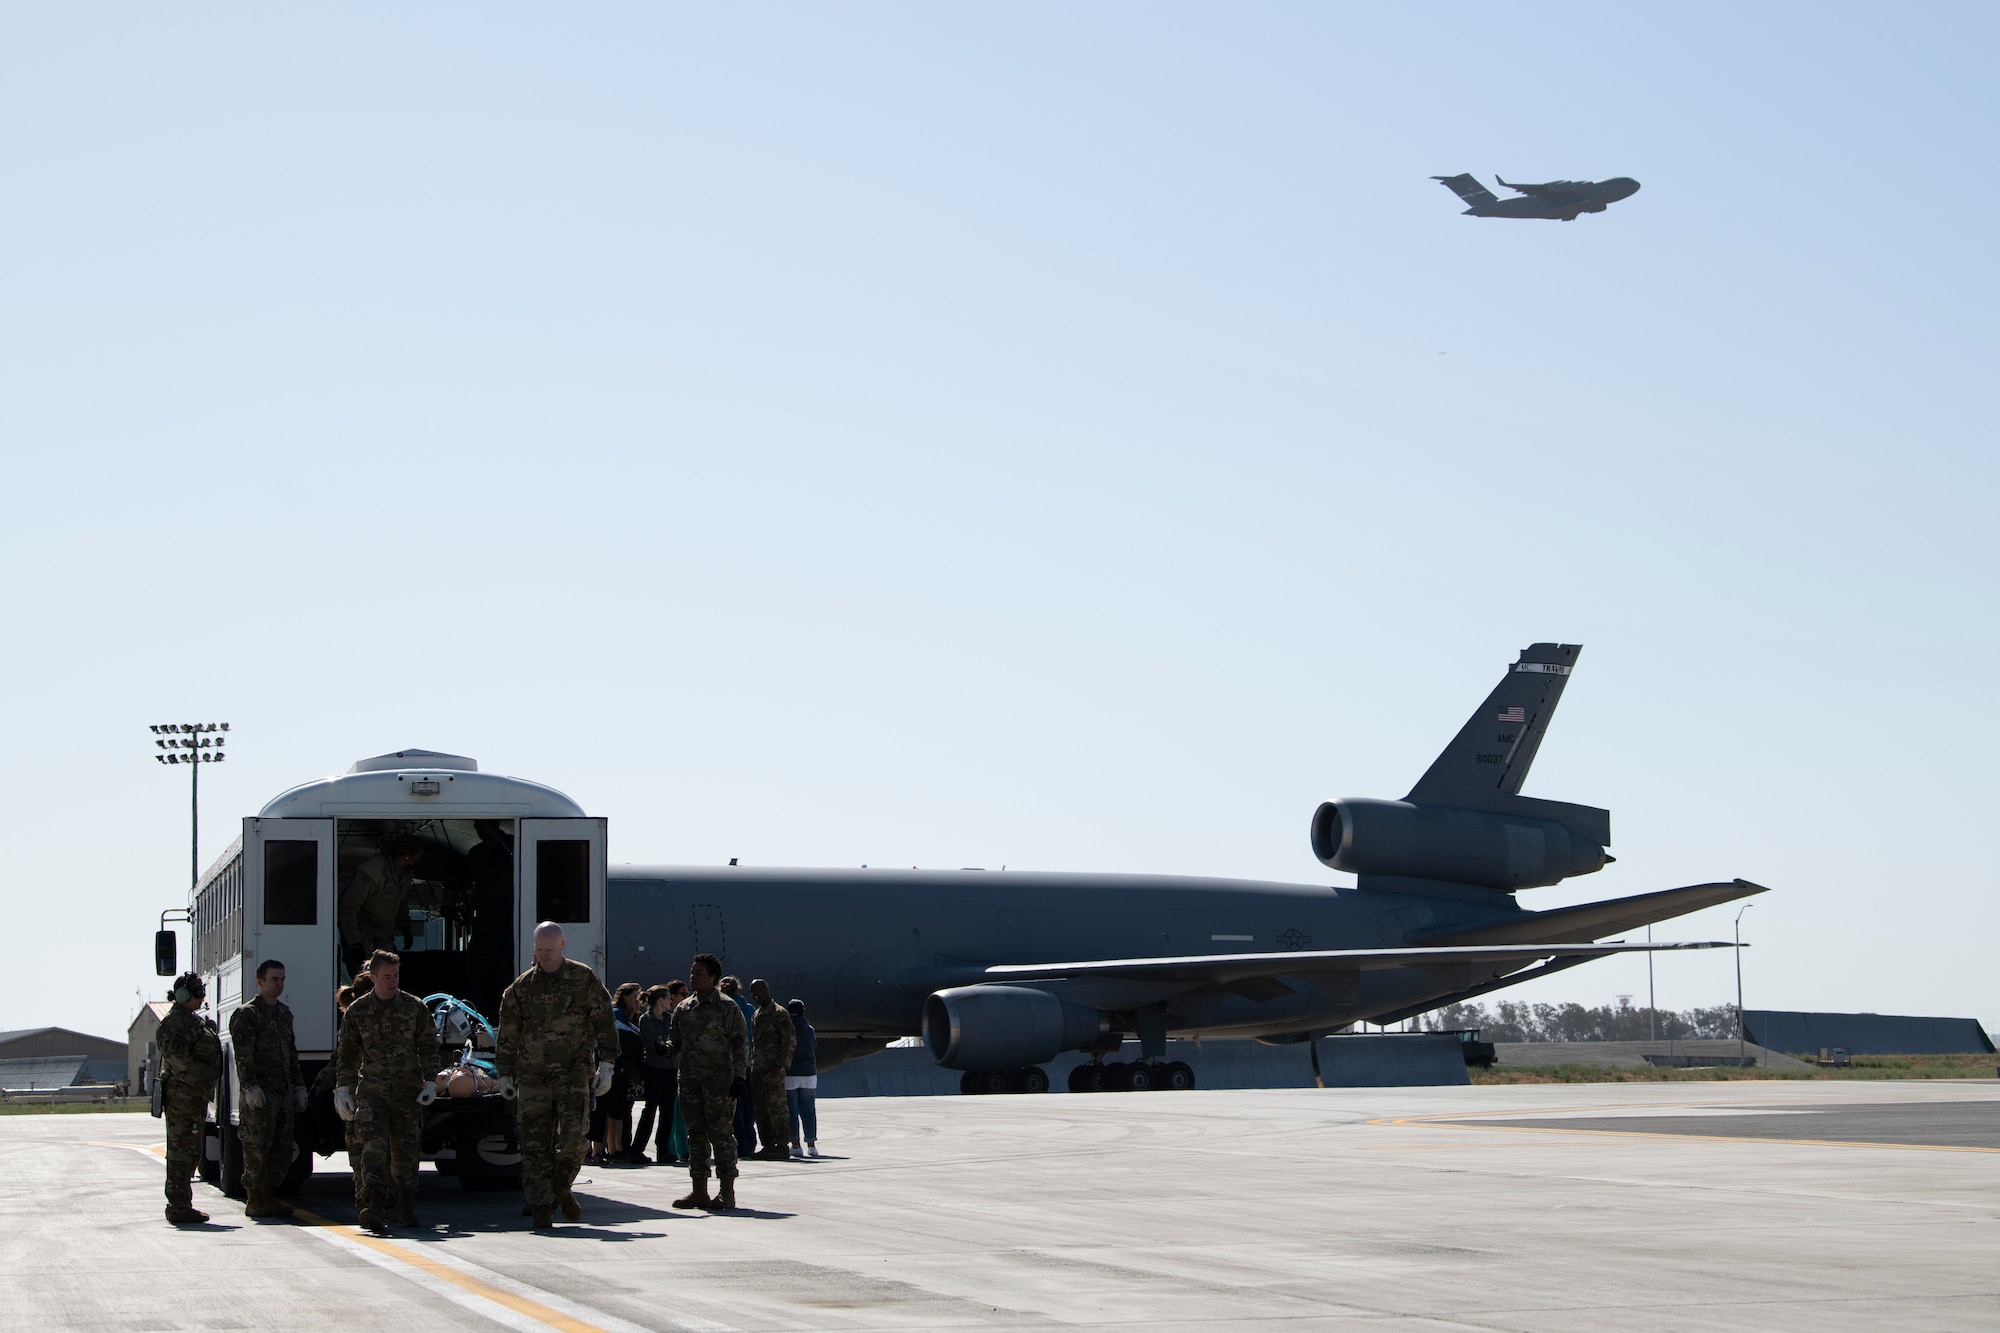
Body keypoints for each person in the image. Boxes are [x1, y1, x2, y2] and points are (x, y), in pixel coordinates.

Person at [494, 921, 618, 1229]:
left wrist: (608, 1064)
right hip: (533, 1077)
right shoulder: (521, 988)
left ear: (562, 946)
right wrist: (504, 1074)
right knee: (534, 1146)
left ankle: (560, 1185)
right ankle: (541, 1208)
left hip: (573, 1074)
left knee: (575, 1139)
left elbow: (604, 1021)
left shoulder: (583, 979)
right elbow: (508, 1033)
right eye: (539, 951)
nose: (544, 956)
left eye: (549, 950)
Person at [333, 949, 437, 1231]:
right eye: (387, 977)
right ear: (373, 977)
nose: (392, 982)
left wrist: (430, 1081)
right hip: (372, 1092)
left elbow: (428, 1047)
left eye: (396, 976)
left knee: (405, 1156)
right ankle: (373, 1204)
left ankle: (404, 1206)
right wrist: (343, 1088)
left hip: (407, 1093)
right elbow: (347, 1054)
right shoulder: (358, 1011)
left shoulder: (414, 1008)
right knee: (373, 1149)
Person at [658, 952, 747, 1210]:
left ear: (713, 977)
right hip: (690, 1082)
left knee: (721, 1135)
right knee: (695, 1136)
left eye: (699, 973)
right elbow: (676, 1041)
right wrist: (665, 1048)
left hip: (719, 1083)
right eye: (692, 972)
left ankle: (726, 1191)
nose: (693, 977)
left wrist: (739, 1076)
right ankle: (699, 1191)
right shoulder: (684, 1008)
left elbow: (741, 1044)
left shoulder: (727, 1007)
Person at [228, 959, 307, 1218]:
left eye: (282, 979)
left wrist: (298, 1085)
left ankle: (269, 1196)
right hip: (260, 1096)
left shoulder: (284, 1014)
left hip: (283, 1093)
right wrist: (250, 1086)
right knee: (257, 1147)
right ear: (260, 982)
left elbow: (291, 1053)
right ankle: (254, 1198)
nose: (279, 984)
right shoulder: (247, 1014)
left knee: (281, 1147)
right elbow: (243, 1055)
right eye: (274, 979)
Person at [157, 971, 222, 1226]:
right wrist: (204, 1076)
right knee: (181, 1151)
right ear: (184, 995)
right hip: (183, 1098)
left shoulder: (190, 1020)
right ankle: (178, 1205)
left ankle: (182, 1203)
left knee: (190, 1150)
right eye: (197, 993)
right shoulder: (175, 1024)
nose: (201, 997)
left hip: (193, 1097)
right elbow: (179, 1060)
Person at [339, 834, 424, 973]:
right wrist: (354, 942)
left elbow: (401, 901)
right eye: (417, 856)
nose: (419, 860)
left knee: (388, 973)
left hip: (384, 934)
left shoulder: (403, 875)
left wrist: (404, 926)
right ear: (406, 856)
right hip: (363, 932)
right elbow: (347, 908)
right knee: (366, 974)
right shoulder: (371, 873)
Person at [458, 820, 515, 1016]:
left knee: (506, 973)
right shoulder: (478, 853)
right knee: (477, 973)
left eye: (485, 827)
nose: (482, 832)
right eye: (479, 829)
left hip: (511, 923)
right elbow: (459, 880)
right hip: (486, 923)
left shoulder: (515, 846)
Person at [591, 982, 644, 1166]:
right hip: (609, 1067)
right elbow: (622, 1031)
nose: (637, 1001)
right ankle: (598, 1150)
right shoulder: (615, 1012)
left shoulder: (626, 1015)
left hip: (620, 1069)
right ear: (624, 996)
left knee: (617, 1111)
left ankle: (615, 1148)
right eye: (634, 996)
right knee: (603, 1110)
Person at [746, 978, 797, 1162]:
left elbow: (789, 1041)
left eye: (758, 990)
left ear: (766, 989)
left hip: (773, 1070)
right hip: (758, 1069)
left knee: (777, 1108)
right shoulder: (757, 1014)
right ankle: (768, 1145)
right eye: (753, 992)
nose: (755, 995)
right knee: (761, 1109)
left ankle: (782, 1145)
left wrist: (780, 1065)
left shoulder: (779, 1013)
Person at [632, 985, 679, 1166]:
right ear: (660, 999)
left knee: (668, 1111)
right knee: (650, 1109)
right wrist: (666, 1046)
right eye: (668, 998)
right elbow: (655, 1045)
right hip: (654, 1069)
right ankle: (637, 1149)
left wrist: (666, 1046)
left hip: (671, 1069)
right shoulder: (646, 1020)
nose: (670, 1001)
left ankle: (663, 1150)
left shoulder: (670, 1018)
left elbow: (674, 1040)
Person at [718, 974, 758, 1158]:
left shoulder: (721, 1009)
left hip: (726, 1066)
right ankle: (749, 1142)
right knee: (747, 1106)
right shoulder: (750, 1010)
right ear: (738, 990)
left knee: (732, 1109)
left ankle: (740, 1143)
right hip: (746, 1063)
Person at [785, 998, 819, 1158]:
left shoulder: (786, 1029)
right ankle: (811, 1145)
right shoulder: (810, 1030)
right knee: (808, 1110)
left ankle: (796, 1145)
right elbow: (813, 1046)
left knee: (791, 1111)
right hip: (809, 1074)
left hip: (790, 1073)